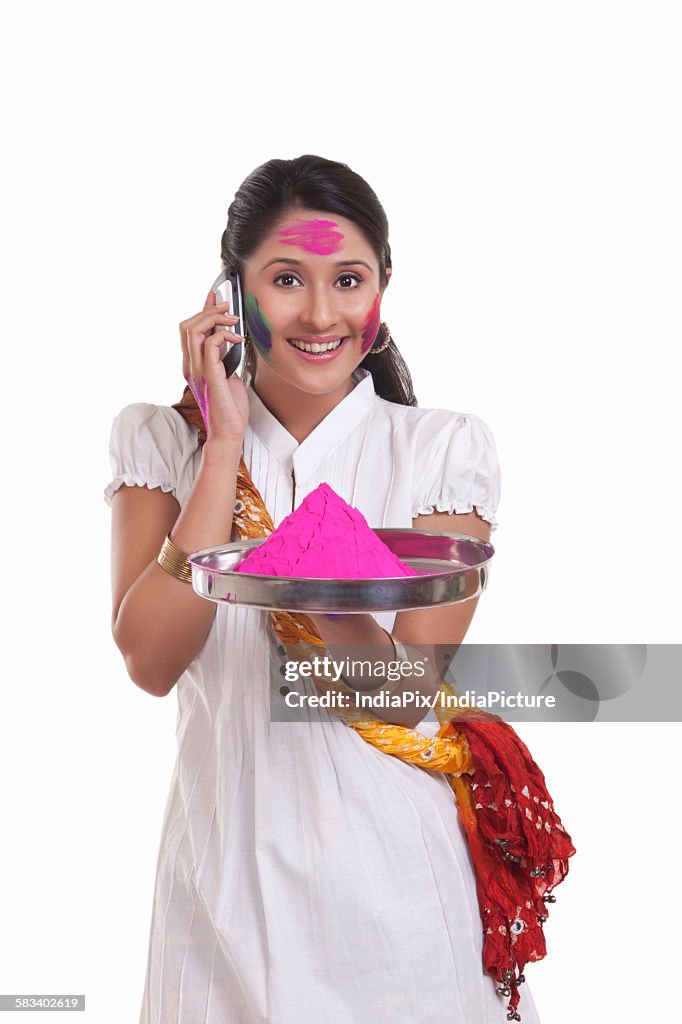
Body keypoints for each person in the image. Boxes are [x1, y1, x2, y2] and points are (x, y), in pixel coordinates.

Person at [105, 154, 544, 1023]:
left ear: (384, 288)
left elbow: (403, 689)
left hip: (399, 905)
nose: (319, 312)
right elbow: (151, 660)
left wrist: (319, 566)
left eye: (348, 279)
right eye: (284, 279)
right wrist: (222, 442)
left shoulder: (441, 452)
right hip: (218, 896)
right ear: (232, 295)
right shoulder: (163, 444)